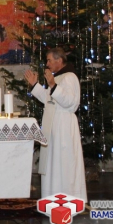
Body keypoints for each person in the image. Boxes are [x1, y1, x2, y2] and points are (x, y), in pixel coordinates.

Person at [24, 47, 87, 201]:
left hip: (64, 126)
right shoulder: (58, 78)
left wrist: (53, 85)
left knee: (64, 163)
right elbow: (48, 98)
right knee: (53, 164)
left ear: (59, 60)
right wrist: (34, 85)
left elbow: (72, 103)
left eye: (49, 60)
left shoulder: (70, 77)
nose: (47, 64)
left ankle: (68, 198)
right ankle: (53, 197)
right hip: (53, 125)